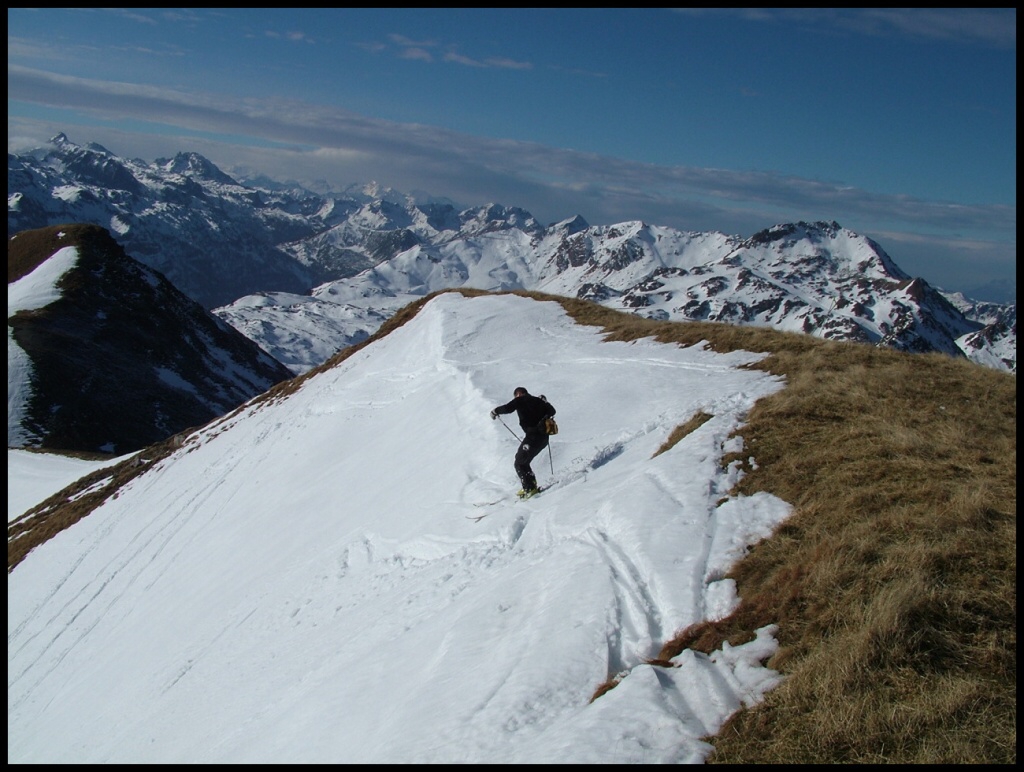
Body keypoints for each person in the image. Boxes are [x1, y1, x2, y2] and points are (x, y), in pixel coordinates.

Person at [490, 387, 556, 497]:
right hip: (544, 438)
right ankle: (530, 485)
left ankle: (530, 489)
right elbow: (552, 411)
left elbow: (508, 408)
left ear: (518, 394)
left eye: (515, 396)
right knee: (522, 460)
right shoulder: (538, 400)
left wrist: (495, 411)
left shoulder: (520, 400)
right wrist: (545, 402)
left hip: (533, 438)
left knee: (520, 462)